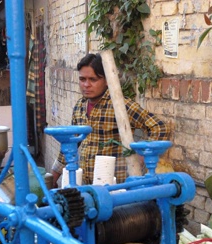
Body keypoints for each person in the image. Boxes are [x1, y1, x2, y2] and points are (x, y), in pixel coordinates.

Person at [51, 53, 171, 186]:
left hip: (118, 185)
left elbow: (160, 127)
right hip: (89, 185)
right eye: (82, 79)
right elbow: (71, 142)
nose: (86, 84)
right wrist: (53, 176)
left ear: (107, 80)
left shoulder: (120, 105)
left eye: (93, 79)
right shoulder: (80, 107)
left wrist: (142, 156)